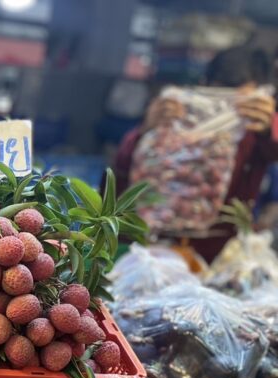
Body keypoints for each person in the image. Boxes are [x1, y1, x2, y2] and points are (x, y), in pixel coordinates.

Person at [113, 47, 278, 260]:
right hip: (151, 247)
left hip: (221, 256)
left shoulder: (257, 131)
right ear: (204, 85)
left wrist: (270, 129)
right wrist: (146, 131)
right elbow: (119, 175)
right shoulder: (173, 115)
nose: (227, 110)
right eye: (219, 96)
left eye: (242, 101)